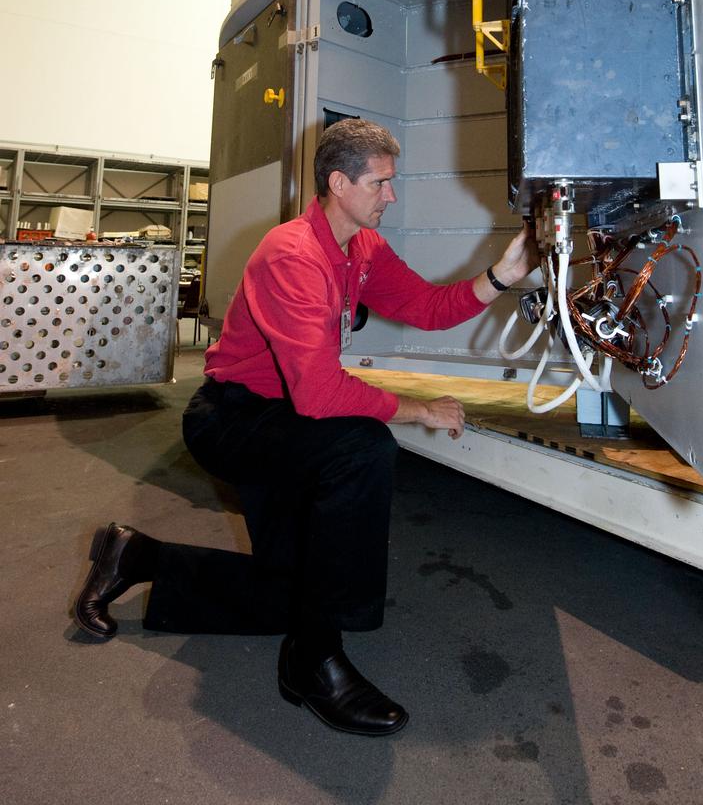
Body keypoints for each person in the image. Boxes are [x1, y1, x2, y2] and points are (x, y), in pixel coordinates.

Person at [73, 119, 536, 737]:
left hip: (283, 415)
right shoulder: (292, 253)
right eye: (381, 185)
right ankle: (314, 659)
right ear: (339, 183)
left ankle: (135, 554)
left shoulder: (362, 249)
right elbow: (319, 393)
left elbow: (426, 308)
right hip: (231, 419)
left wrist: (502, 274)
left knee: (285, 594)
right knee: (363, 446)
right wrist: (418, 410)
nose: (390, 197)